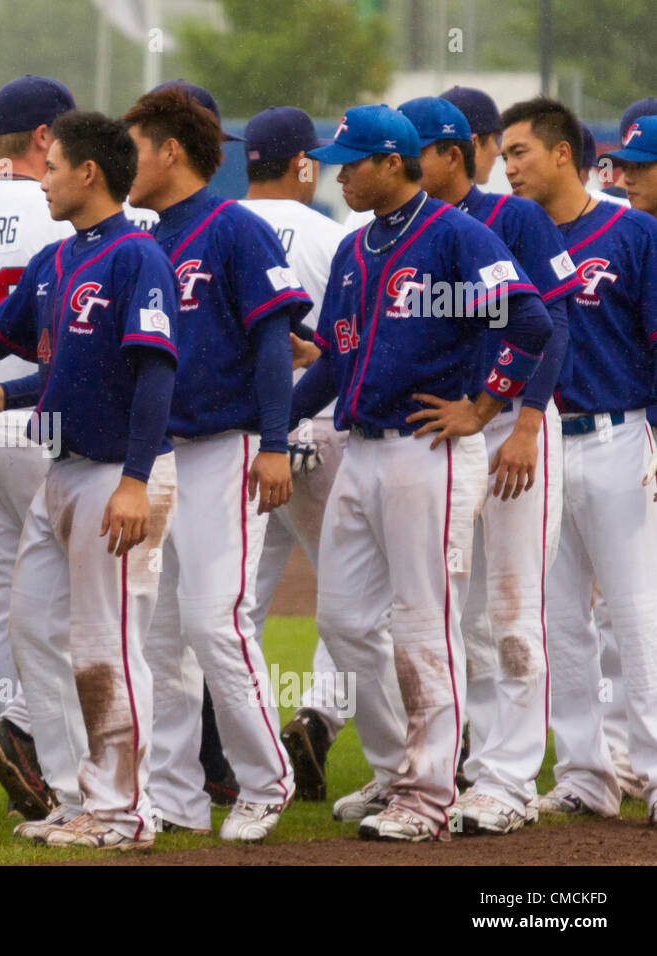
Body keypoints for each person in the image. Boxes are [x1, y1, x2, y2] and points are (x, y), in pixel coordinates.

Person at [293, 104, 552, 842]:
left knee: (423, 622)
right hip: (361, 448)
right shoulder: (353, 248)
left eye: (353, 161)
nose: (340, 173)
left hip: (425, 449)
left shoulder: (456, 235)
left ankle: (429, 791)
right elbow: (338, 364)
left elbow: (530, 321)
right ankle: (395, 770)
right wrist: (270, 424)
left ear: (394, 162)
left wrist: (485, 406)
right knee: (342, 621)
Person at [123, 88, 312, 843]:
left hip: (224, 449)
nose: (121, 165)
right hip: (162, 457)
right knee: (162, 636)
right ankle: (173, 793)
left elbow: (273, 342)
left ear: (171, 150)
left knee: (215, 620)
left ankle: (267, 780)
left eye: (133, 147)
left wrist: (272, 442)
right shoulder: (145, 238)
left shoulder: (236, 228)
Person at [0, 110, 179, 851]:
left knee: (107, 643)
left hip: (120, 475)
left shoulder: (137, 256)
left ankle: (124, 810)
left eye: (54, 165)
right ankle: (77, 794)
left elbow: (156, 370)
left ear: (89, 174)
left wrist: (135, 481)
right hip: (63, 470)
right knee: (33, 625)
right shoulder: (59, 258)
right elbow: (40, 353)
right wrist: (5, 392)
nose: (42, 177)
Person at [394, 96, 572, 835]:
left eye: (418, 151)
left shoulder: (515, 218)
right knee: (455, 611)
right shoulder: (404, 233)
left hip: (513, 427)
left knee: (513, 606)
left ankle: (508, 778)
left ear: (453, 152)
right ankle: (463, 770)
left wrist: (527, 418)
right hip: (456, 434)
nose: (406, 164)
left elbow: (552, 321)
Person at [500, 96, 657, 827]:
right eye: (502, 155)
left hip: (620, 437)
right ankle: (587, 774)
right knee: (558, 620)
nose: (509, 167)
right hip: (539, 449)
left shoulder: (633, 232)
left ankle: (652, 775)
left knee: (636, 616)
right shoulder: (509, 240)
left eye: (521, 151)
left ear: (565, 153)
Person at [230, 105, 382, 804]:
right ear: (303, 165)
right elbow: (344, 345)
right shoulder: (337, 236)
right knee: (352, 594)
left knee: (234, 607)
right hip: (319, 428)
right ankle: (318, 716)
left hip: (235, 439)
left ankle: (233, 747)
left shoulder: (215, 228)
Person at [0, 76, 77, 821]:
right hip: (42, 422)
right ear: (43, 140)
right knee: (67, 602)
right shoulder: (64, 210)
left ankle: (18, 745)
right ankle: (44, 751)